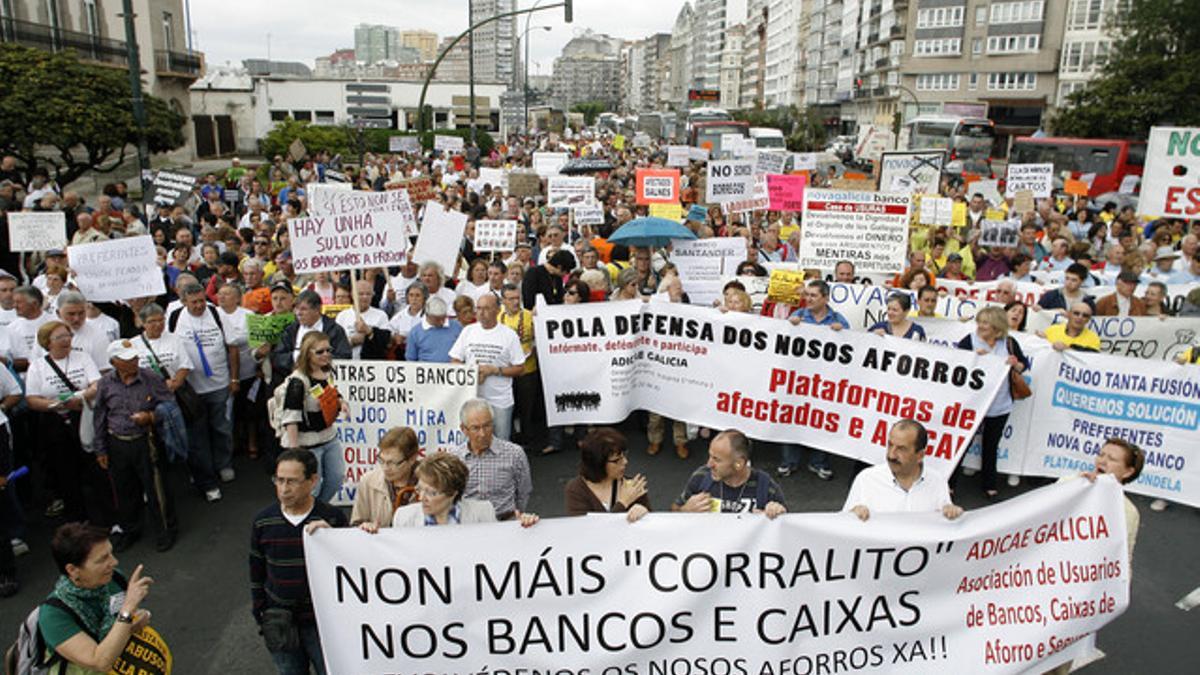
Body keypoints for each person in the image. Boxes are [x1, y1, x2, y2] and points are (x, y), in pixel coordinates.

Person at [250, 449, 347, 675]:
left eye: (292, 481)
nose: (284, 489)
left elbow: (347, 568)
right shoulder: (263, 521)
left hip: (322, 624)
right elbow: (256, 571)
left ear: (313, 480)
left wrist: (333, 537)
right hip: (279, 622)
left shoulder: (332, 518)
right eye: (279, 480)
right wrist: (261, 614)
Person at [93, 339, 178, 552]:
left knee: (156, 488)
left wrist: (151, 415)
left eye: (134, 358)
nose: (133, 362)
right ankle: (131, 529)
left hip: (145, 440)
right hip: (117, 442)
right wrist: (100, 448)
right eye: (127, 360)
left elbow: (169, 405)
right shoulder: (105, 384)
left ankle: (165, 529)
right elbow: (100, 416)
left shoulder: (150, 378)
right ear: (114, 362)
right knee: (124, 489)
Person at [36, 523, 155, 673]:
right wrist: (128, 610)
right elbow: (99, 662)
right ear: (72, 570)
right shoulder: (53, 615)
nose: (114, 562)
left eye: (111, 553)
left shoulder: (113, 578)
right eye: (102, 559)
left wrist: (134, 620)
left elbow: (123, 621)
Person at [25, 320, 103, 523]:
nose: (66, 340)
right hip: (55, 424)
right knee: (65, 472)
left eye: (68, 336)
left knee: (93, 468)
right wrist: (59, 405)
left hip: (83, 416)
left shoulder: (82, 357)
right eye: (60, 337)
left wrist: (80, 397)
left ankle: (104, 517)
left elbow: (96, 384)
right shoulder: (38, 366)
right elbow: (32, 399)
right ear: (47, 342)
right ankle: (79, 517)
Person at [168, 283, 240, 502]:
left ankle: (224, 464)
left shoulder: (217, 314)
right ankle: (202, 472)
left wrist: (234, 378)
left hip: (219, 383)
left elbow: (233, 347)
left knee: (221, 427)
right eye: (194, 302)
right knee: (197, 434)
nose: (200, 306)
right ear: (184, 302)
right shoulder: (175, 318)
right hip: (191, 389)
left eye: (202, 300)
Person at [955, 307, 1029, 498]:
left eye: (986, 322)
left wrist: (1015, 364)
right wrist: (973, 359)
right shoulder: (969, 341)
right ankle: (950, 482)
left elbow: (1022, 366)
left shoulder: (1009, 343)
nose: (981, 326)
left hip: (1000, 404)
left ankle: (989, 483)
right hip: (973, 403)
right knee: (962, 444)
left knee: (991, 446)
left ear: (997, 327)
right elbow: (956, 366)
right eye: (979, 321)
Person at [783, 280, 848, 479]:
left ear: (826, 298)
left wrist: (843, 334)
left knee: (822, 419)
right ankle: (789, 461)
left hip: (825, 381)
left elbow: (850, 349)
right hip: (799, 378)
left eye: (813, 296)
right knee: (793, 415)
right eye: (807, 295)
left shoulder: (839, 321)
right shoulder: (798, 316)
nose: (808, 299)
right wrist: (790, 326)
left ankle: (819, 462)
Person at [843, 419, 963, 521]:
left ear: (920, 455)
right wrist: (853, 515)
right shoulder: (866, 479)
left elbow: (945, 526)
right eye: (890, 445)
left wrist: (952, 513)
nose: (891, 455)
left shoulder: (937, 481)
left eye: (901, 449)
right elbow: (842, 527)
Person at [277, 333, 348, 504]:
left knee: (336, 478)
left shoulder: (327, 371)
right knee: (311, 488)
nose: (326, 354)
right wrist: (295, 452)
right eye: (320, 352)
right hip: (307, 444)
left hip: (329, 437)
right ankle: (309, 516)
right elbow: (291, 417)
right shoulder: (298, 381)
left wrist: (341, 402)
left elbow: (331, 392)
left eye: (328, 350)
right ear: (308, 353)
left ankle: (318, 509)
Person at [448, 295, 525, 441]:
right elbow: (455, 359)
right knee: (473, 441)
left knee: (501, 443)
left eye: (486, 308)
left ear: (497, 310)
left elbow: (520, 368)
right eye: (479, 308)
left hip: (500, 400)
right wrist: (471, 373)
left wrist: (495, 370)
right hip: (472, 398)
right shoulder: (468, 331)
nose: (481, 312)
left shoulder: (509, 335)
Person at [390, 453, 539, 528]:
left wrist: (523, 527)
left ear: (453, 493)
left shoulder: (483, 512)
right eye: (420, 489)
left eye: (431, 492)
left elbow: (497, 552)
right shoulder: (404, 518)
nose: (421, 497)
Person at [448, 399, 532, 521]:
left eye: (487, 426)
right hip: (468, 525)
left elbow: (524, 492)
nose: (482, 434)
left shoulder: (514, 454)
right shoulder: (454, 458)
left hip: (505, 522)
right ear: (464, 429)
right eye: (475, 428)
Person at [672, 429, 787, 516]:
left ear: (739, 464)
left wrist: (776, 515)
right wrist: (685, 510)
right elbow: (673, 511)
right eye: (710, 456)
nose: (709, 464)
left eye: (716, 459)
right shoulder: (701, 477)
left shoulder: (766, 487)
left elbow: (786, 528)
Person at [564, 428, 650, 522]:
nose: (625, 462)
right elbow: (586, 529)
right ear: (598, 464)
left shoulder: (632, 487)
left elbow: (650, 523)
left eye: (624, 455)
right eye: (617, 460)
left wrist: (645, 512)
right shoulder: (576, 490)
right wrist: (623, 503)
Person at [351, 427, 420, 530]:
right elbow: (355, 524)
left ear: (412, 459)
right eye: (381, 460)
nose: (385, 468)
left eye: (392, 463)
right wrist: (364, 526)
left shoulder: (429, 482)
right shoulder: (368, 481)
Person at [271, 290, 351, 376]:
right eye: (296, 309)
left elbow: (344, 358)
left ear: (317, 310)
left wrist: (319, 359)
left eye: (303, 309)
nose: (298, 313)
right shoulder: (291, 330)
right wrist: (296, 357)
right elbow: (277, 358)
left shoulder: (334, 330)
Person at [336, 279, 390, 360]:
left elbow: (386, 343)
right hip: (348, 364)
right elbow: (335, 344)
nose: (365, 297)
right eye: (361, 294)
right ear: (352, 295)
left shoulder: (381, 315)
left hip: (371, 364)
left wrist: (369, 331)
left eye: (368, 294)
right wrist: (353, 341)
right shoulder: (342, 316)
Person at [405, 297, 462, 363]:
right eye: (437, 319)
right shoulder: (415, 332)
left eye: (443, 318)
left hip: (452, 369)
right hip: (426, 370)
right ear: (427, 315)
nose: (441, 322)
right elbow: (411, 359)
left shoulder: (457, 327)